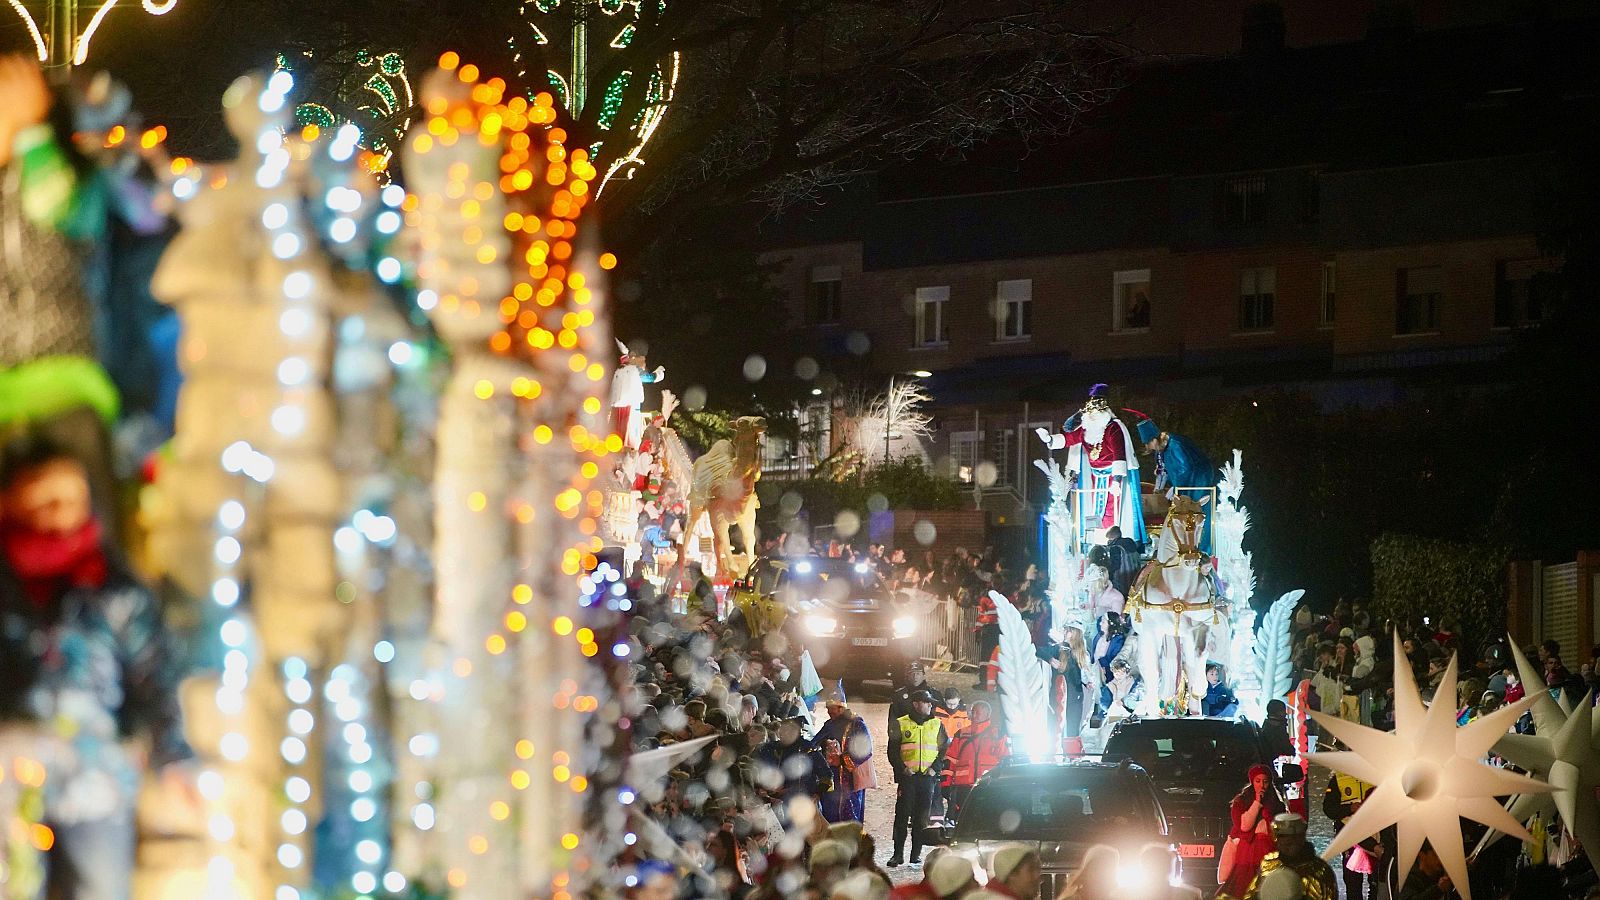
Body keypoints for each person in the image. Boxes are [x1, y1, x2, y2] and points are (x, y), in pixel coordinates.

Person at [0, 439, 197, 899]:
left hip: (96, 776)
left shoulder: (116, 591)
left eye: (71, 499)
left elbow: (156, 674)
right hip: (11, 769)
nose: (58, 512)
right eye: (44, 498)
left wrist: (174, 756)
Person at [1035, 384, 1147, 546]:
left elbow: (1119, 454)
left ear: (1103, 413)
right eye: (1090, 414)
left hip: (1112, 475)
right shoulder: (1086, 430)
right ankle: (1098, 543)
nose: (1092, 417)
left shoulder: (1113, 429)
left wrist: (1116, 480)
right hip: (1096, 476)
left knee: (1112, 511)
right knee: (1096, 510)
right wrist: (1050, 440)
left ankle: (1113, 542)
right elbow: (1069, 439)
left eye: (1095, 414)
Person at [1132, 415, 1221, 552]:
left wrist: (1175, 488)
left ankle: (1203, 549)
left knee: (1196, 510)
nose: (1148, 447)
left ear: (1154, 439)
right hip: (1185, 481)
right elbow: (1165, 470)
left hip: (1198, 479)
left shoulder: (1176, 445)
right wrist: (1160, 486)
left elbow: (1184, 469)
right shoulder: (1160, 450)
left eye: (1148, 444)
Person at [888, 689, 949, 868]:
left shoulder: (937, 724)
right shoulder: (901, 723)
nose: (931, 705)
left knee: (921, 819)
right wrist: (901, 769)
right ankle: (897, 855)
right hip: (909, 779)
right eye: (927, 702)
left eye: (931, 702)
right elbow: (892, 751)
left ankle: (915, 855)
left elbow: (944, 749)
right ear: (916, 704)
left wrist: (935, 769)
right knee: (901, 816)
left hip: (927, 779)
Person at [1221, 764, 1287, 898]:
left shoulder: (1277, 805)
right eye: (1258, 781)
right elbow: (1244, 826)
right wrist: (1257, 803)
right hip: (1245, 856)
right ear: (1252, 781)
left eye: (1265, 781)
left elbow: (1279, 830)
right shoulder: (1241, 802)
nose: (1262, 785)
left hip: (1267, 854)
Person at [1242, 815, 1338, 900]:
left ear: (1302, 837)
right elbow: (1252, 894)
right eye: (1284, 839)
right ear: (1276, 839)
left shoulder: (1320, 871)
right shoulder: (1269, 863)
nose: (1290, 842)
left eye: (1294, 838)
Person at [816, 688, 875, 823]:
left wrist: (842, 760)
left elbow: (865, 750)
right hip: (832, 779)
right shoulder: (829, 725)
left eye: (832, 708)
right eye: (828, 709)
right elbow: (815, 741)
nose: (829, 712)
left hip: (850, 780)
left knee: (849, 815)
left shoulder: (857, 724)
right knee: (830, 814)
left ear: (841, 707)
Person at [943, 699, 1008, 817]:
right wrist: (945, 784)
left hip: (989, 786)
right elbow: (950, 759)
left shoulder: (997, 734)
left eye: (977, 712)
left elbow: (1005, 760)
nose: (973, 715)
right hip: (964, 787)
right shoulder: (961, 733)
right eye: (972, 712)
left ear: (987, 714)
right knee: (964, 820)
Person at [1321, 771, 1378, 900]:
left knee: (1376, 883)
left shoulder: (1377, 775)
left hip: (1374, 835)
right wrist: (1349, 808)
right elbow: (1329, 809)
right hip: (1350, 837)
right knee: (1352, 882)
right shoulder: (1339, 778)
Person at [889, 660, 931, 736]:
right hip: (906, 738)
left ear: (923, 675)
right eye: (912, 674)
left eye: (918, 673)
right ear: (907, 676)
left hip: (928, 739)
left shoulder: (933, 694)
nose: (915, 677)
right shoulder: (898, 696)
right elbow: (893, 723)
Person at [1103, 526, 1144, 598]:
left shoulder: (1115, 548)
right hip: (1134, 581)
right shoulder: (1132, 544)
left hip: (1120, 583)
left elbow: (1114, 567)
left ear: (1111, 537)